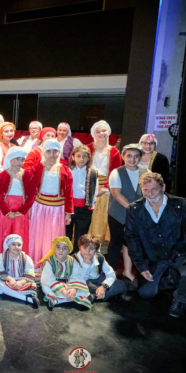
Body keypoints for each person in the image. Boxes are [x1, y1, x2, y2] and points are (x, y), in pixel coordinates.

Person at [125, 172, 186, 317]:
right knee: (145, 293)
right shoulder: (134, 209)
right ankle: (171, 279)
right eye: (145, 190)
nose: (150, 194)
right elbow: (132, 239)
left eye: (154, 189)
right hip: (155, 257)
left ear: (163, 187)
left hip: (181, 254)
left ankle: (180, 300)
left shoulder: (183, 204)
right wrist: (141, 266)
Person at [27, 140, 73, 266]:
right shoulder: (36, 168)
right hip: (39, 207)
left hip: (57, 210)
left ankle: (52, 264)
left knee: (53, 236)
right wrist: (29, 207)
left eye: (55, 151)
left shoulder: (65, 170)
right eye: (49, 151)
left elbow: (69, 192)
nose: (52, 154)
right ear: (44, 152)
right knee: (38, 236)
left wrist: (68, 213)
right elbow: (29, 189)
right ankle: (36, 262)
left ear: (59, 152)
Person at [107, 143, 148, 281]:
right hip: (118, 214)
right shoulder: (116, 172)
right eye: (129, 156)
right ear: (123, 157)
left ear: (140, 158)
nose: (132, 159)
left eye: (136, 156)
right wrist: (134, 209)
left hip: (137, 215)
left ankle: (127, 272)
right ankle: (111, 273)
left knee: (131, 244)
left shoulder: (146, 172)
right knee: (116, 243)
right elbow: (116, 193)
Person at [0, 147, 35, 264]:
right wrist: (7, 212)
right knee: (4, 233)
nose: (20, 162)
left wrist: (22, 211)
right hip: (6, 208)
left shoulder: (28, 175)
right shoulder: (2, 175)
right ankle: (2, 262)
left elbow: (31, 195)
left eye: (22, 159)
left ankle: (19, 262)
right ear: (11, 159)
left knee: (19, 234)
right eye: (17, 159)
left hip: (21, 209)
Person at [87, 120, 122, 242]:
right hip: (88, 185)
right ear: (93, 133)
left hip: (105, 188)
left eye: (104, 131)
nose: (101, 133)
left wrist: (104, 188)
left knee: (101, 216)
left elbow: (115, 172)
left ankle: (98, 244)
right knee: (86, 216)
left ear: (109, 132)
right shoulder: (87, 148)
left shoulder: (115, 152)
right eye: (98, 131)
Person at [38, 236, 92, 310]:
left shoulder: (72, 261)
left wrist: (74, 289)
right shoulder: (49, 261)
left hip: (68, 283)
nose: (61, 250)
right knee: (46, 289)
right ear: (54, 248)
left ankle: (57, 301)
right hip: (53, 284)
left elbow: (76, 276)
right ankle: (70, 299)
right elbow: (48, 279)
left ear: (69, 250)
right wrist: (63, 291)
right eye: (58, 247)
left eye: (64, 248)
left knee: (81, 291)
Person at [71, 234, 127, 303]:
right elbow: (80, 279)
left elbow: (111, 274)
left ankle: (94, 296)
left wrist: (103, 287)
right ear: (79, 247)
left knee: (121, 284)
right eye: (84, 248)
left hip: (98, 281)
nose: (88, 252)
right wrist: (86, 264)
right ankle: (101, 295)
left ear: (96, 250)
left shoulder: (99, 258)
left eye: (91, 249)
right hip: (82, 282)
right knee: (78, 286)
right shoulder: (73, 259)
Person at [65, 145, 99, 253]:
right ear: (73, 157)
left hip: (84, 208)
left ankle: (76, 254)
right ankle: (65, 254)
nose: (81, 159)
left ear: (88, 158)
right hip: (69, 208)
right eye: (78, 156)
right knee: (66, 233)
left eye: (84, 156)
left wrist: (91, 206)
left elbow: (95, 191)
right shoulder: (67, 170)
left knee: (81, 235)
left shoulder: (93, 173)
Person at [0, 235, 39, 308]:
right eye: (13, 244)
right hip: (6, 280)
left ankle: (5, 292)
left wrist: (21, 283)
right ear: (8, 245)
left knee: (32, 284)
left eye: (19, 245)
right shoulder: (1, 257)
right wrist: (10, 279)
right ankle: (26, 298)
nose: (16, 247)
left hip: (21, 280)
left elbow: (30, 272)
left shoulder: (26, 258)